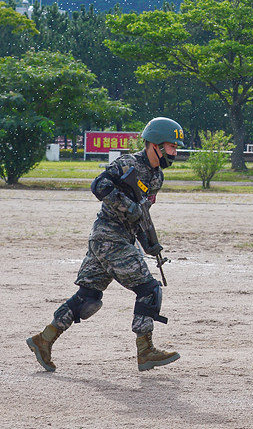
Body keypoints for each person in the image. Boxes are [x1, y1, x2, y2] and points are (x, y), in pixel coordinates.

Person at [26, 117, 185, 372]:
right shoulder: (128, 163)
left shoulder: (157, 177)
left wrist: (150, 244)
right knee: (149, 289)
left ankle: (43, 340)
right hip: (108, 237)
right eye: (171, 147)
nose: (175, 152)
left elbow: (142, 213)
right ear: (155, 144)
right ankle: (145, 351)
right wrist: (126, 205)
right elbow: (98, 185)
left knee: (88, 299)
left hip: (119, 239)